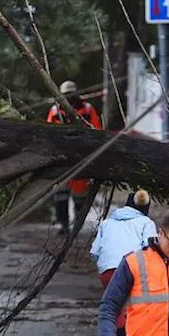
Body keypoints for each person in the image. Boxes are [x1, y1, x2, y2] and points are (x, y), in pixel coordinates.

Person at [90, 189, 156, 336]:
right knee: (133, 307)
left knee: (114, 307)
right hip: (133, 268)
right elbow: (150, 249)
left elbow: (94, 251)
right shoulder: (146, 223)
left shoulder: (107, 223)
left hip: (107, 270)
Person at [46, 80, 101, 234]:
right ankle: (63, 225)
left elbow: (97, 131)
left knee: (79, 196)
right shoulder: (55, 110)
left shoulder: (88, 109)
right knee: (60, 195)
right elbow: (49, 132)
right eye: (66, 95)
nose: (69, 98)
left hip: (81, 158)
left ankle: (77, 224)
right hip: (61, 159)